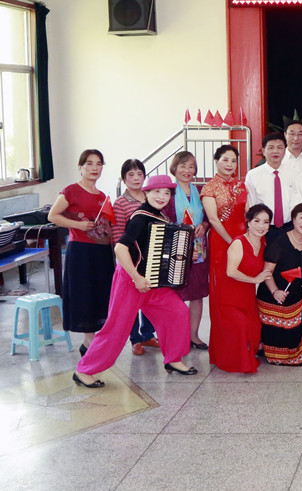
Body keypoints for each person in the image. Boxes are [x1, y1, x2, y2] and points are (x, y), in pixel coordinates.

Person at [73, 175, 199, 388]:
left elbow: (162, 253)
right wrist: (136, 277)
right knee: (116, 327)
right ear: (146, 193)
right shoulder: (140, 217)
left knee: (178, 312)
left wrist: (187, 255)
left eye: (166, 193)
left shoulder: (161, 217)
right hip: (130, 280)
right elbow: (120, 248)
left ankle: (173, 359)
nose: (161, 196)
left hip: (153, 282)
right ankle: (84, 370)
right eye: (157, 191)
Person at [47, 149, 114, 355]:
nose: (95, 168)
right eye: (90, 163)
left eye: (99, 164)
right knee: (84, 295)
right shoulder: (71, 191)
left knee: (100, 295)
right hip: (81, 252)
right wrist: (78, 225)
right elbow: (52, 216)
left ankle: (92, 344)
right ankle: (88, 343)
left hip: (102, 252)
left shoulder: (102, 196)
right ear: (81, 167)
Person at [257, 203, 302, 365]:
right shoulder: (279, 242)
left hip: (294, 293)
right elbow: (267, 273)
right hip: (273, 294)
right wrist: (275, 292)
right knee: (282, 340)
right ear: (293, 220)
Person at [202, 144, 250, 360]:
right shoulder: (209, 187)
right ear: (217, 161)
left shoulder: (241, 185)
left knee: (242, 289)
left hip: (241, 239)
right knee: (222, 292)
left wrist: (248, 240)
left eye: (233, 160)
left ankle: (242, 343)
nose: (230, 164)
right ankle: (224, 348)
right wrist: (233, 242)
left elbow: (247, 213)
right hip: (222, 242)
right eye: (225, 160)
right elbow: (213, 219)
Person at [211, 204, 272, 373]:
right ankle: (235, 361)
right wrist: (254, 279)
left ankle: (245, 356)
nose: (261, 226)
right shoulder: (238, 242)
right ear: (248, 222)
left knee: (254, 328)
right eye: (257, 221)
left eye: (266, 222)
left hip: (247, 296)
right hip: (228, 295)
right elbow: (231, 272)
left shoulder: (263, 243)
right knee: (241, 326)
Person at [164, 151, 211, 350]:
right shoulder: (168, 192)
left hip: (198, 248)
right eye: (183, 166)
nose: (187, 170)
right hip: (176, 247)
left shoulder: (201, 191)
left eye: (191, 166)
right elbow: (163, 219)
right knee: (175, 294)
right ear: (174, 168)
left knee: (197, 294)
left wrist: (205, 225)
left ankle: (194, 335)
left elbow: (209, 216)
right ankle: (177, 336)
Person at [112, 159, 159, 356]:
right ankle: (135, 339)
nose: (136, 178)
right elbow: (117, 235)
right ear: (124, 179)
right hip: (131, 259)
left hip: (151, 257)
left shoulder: (151, 196)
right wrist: (126, 262)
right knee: (131, 302)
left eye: (139, 174)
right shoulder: (120, 203)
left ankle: (148, 334)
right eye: (131, 175)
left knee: (149, 297)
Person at [245, 133, 297, 232]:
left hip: (290, 227)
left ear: (285, 150)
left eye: (279, 147)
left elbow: (296, 201)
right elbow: (251, 204)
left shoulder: (293, 174)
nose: (275, 151)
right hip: (263, 229)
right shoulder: (253, 175)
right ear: (263, 151)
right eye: (271, 147)